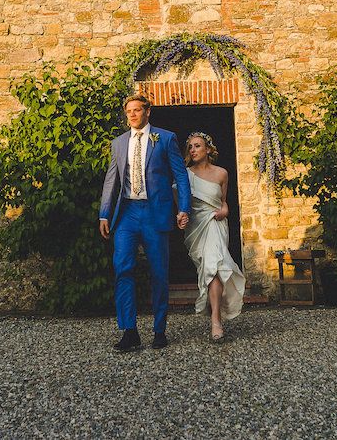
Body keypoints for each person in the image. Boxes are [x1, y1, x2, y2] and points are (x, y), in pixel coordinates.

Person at [99, 95, 191, 352]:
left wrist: (183, 208)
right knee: (123, 268)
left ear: (147, 112)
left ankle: (159, 329)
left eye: (137, 110)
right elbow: (111, 180)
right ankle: (130, 331)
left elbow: (181, 175)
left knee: (159, 272)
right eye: (128, 111)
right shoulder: (118, 143)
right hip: (127, 212)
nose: (132, 115)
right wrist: (104, 213)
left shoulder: (166, 138)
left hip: (155, 212)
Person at [180, 132, 246, 341]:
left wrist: (225, 211)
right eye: (190, 146)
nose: (193, 150)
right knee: (208, 268)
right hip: (197, 226)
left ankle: (216, 320)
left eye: (197, 146)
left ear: (208, 149)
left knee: (215, 267)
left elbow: (224, 201)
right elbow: (180, 204)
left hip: (216, 224)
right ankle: (214, 309)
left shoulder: (221, 174)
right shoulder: (185, 174)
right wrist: (181, 216)